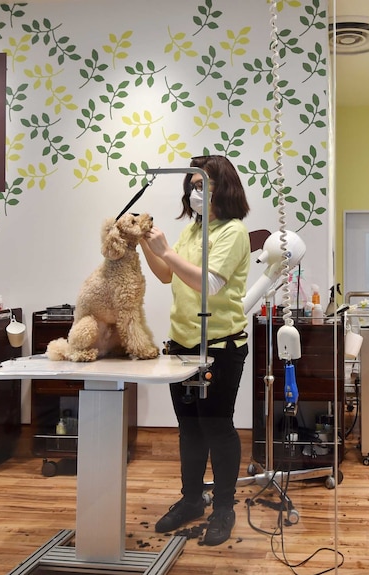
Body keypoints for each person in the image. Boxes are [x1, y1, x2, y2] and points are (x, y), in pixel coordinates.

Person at [140, 155, 250, 546]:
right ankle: (191, 499)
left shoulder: (233, 232)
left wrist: (165, 250)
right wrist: (146, 246)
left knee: (217, 425)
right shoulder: (193, 230)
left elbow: (211, 285)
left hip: (220, 345)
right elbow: (168, 275)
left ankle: (223, 507)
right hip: (181, 344)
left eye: (202, 185)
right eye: (191, 186)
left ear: (223, 188)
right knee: (188, 427)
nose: (195, 192)